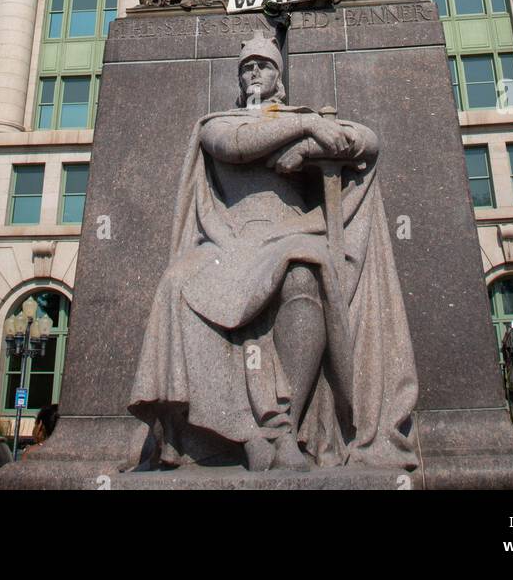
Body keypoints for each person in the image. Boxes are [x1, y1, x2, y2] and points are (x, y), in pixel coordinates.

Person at [128, 33, 418, 473]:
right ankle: (230, 428)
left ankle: (281, 427)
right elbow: (237, 146)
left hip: (292, 234)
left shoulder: (301, 119)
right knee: (177, 283)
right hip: (229, 243)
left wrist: (308, 144)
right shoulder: (218, 123)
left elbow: (367, 141)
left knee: (303, 273)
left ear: (278, 78)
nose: (254, 74)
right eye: (247, 68)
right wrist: (305, 127)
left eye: (263, 66)